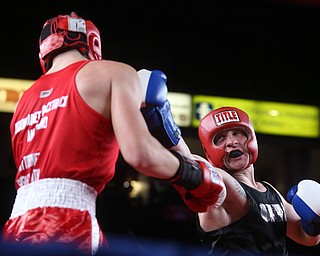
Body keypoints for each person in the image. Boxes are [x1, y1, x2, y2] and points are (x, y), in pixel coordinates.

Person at [1, 12, 226, 255]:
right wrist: (193, 177)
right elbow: (141, 155)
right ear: (92, 42)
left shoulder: (24, 100)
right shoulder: (112, 72)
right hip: (70, 223)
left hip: (16, 226)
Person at [194, 106, 320, 255]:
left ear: (251, 138)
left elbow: (306, 237)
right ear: (209, 151)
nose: (231, 142)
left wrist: (313, 223)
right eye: (220, 138)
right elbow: (194, 165)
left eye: (238, 133)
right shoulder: (221, 185)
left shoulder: (269, 191)